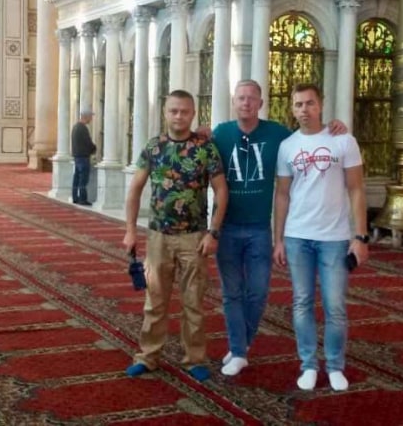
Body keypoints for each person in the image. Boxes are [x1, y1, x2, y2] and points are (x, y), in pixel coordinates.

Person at [210, 79, 347, 376]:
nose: (246, 103)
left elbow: (309, 136)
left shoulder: (279, 136)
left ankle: (239, 345)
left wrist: (334, 125)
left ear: (261, 103)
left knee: (258, 293)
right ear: (234, 102)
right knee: (231, 293)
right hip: (227, 227)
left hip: (260, 228)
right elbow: (197, 149)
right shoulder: (220, 133)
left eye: (252, 98)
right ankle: (238, 350)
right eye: (241, 98)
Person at [122, 89, 229, 382]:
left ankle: (194, 358)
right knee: (154, 300)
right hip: (158, 237)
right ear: (165, 113)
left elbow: (221, 191)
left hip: (194, 238)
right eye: (173, 111)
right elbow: (135, 189)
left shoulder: (205, 148)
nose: (179, 116)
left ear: (193, 114)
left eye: (184, 111)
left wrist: (214, 232)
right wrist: (131, 229)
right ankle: (147, 356)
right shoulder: (154, 147)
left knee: (193, 301)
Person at [273, 83, 369, 392]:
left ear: (321, 105)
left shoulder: (343, 141)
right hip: (298, 236)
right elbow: (283, 195)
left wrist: (360, 236)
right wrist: (278, 239)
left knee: (335, 305)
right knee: (301, 302)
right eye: (298, 104)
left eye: (309, 103)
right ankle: (309, 365)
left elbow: (356, 189)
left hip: (334, 238)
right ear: (292, 108)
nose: (303, 109)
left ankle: (335, 365)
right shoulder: (287, 146)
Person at [71, 110, 97, 206]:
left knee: (77, 178)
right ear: (86, 117)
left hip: (77, 156)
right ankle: (82, 199)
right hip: (83, 157)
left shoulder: (75, 127)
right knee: (83, 179)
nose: (91, 119)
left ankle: (75, 197)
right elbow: (88, 143)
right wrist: (94, 148)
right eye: (90, 117)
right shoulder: (82, 128)